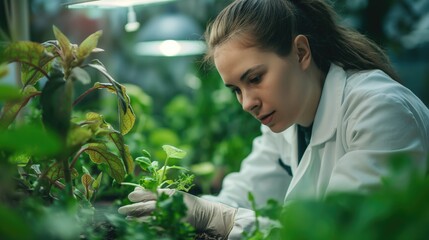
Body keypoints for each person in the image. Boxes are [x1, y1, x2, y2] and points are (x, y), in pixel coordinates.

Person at [118, 0, 429, 239]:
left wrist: (220, 218)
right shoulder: (289, 118)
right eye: (236, 90)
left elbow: (338, 231)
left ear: (301, 52)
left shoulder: (380, 110)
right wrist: (183, 210)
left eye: (254, 78)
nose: (247, 103)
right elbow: (244, 191)